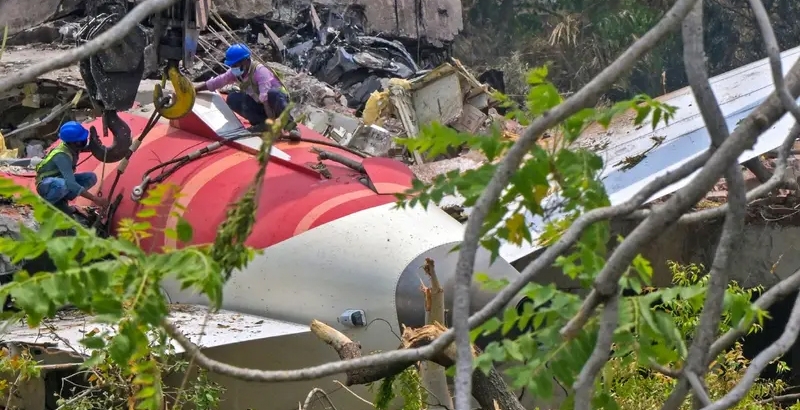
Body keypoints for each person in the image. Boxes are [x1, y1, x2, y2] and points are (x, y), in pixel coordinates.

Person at [195, 43, 297, 133]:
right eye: (232, 65)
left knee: (274, 94)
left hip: (274, 103)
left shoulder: (260, 71)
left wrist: (272, 122)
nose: (233, 67)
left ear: (246, 61)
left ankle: (291, 127)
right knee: (233, 99)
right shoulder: (236, 72)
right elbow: (217, 82)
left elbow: (265, 98)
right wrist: (196, 89)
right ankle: (262, 124)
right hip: (259, 103)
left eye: (236, 64)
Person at [35, 121, 109, 215]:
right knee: (64, 185)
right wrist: (94, 199)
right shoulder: (62, 155)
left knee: (91, 177)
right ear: (73, 143)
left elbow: (84, 148)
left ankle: (61, 201)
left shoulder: (72, 146)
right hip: (45, 184)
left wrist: (94, 146)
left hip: (59, 180)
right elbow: (71, 184)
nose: (84, 141)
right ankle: (49, 204)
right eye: (81, 140)